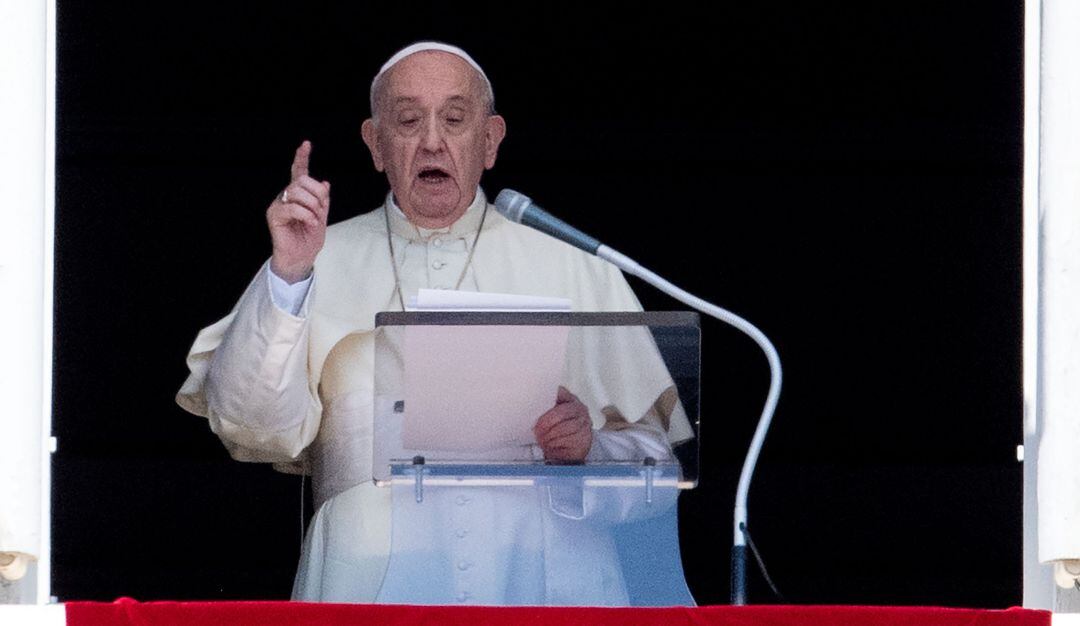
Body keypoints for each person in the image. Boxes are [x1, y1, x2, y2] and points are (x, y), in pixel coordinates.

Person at [177, 41, 693, 605]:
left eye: (454, 119)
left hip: (546, 587)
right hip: (368, 585)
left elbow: (658, 472)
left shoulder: (575, 266)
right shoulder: (316, 258)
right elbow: (248, 427)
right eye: (407, 120)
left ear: (490, 140)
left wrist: (589, 451)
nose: (431, 140)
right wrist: (290, 274)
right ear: (375, 144)